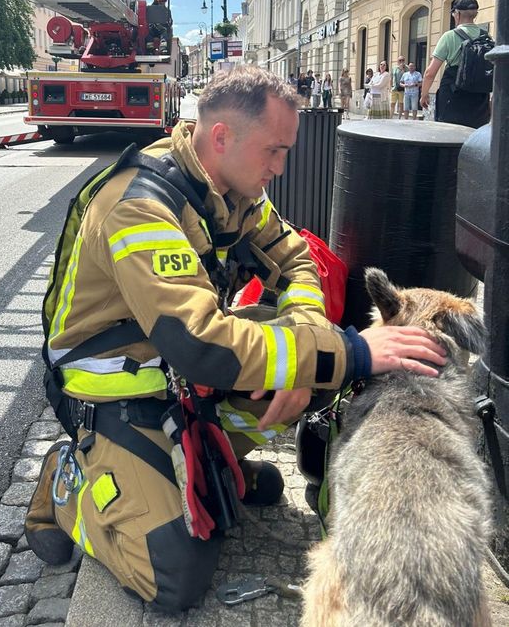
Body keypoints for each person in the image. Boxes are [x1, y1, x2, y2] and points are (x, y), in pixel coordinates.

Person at [25, 66, 447, 613]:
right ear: (222, 137)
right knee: (175, 576)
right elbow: (200, 342)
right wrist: (351, 352)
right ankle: (69, 484)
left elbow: (297, 259)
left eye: (286, 151)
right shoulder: (138, 208)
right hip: (115, 395)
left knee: (308, 368)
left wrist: (309, 339)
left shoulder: (230, 189)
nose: (280, 167)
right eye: (273, 151)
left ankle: (214, 463)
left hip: (178, 380)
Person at [420, 0, 491, 129]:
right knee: (473, 137)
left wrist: (424, 95)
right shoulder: (486, 37)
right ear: (475, 15)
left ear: (457, 14)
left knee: (448, 135)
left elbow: (430, 72)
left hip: (453, 96)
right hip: (479, 98)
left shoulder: (449, 36)